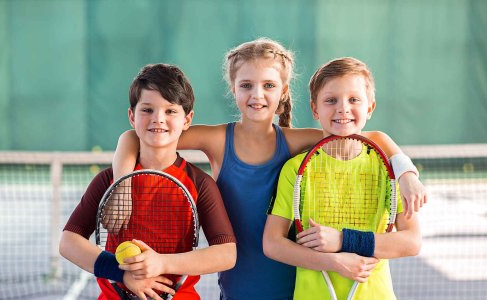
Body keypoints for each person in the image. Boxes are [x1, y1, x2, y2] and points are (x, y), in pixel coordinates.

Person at [110, 38, 426, 300]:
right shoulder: (218, 139)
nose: (257, 95)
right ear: (233, 89)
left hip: (297, 289)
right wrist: (122, 183)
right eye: (246, 85)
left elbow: (370, 138)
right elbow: (134, 135)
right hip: (236, 290)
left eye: (269, 85)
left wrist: (405, 171)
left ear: (283, 91)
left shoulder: (295, 143)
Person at [59, 63, 236, 300]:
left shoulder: (199, 183)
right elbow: (68, 241)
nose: (158, 119)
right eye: (147, 110)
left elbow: (227, 253)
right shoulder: (110, 180)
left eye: (170, 111)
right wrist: (120, 274)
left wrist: (161, 263)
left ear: (187, 119)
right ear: (132, 116)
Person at [263, 57, 421, 299]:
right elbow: (273, 244)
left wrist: (343, 240)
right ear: (315, 109)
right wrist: (333, 261)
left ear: (370, 107)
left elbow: (411, 242)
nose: (343, 108)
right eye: (331, 100)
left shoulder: (389, 171)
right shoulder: (295, 170)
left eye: (354, 100)